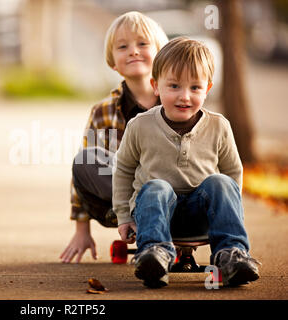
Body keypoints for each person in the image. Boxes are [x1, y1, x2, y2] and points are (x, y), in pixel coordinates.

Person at [113, 37, 261, 288]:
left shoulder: (219, 126)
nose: (184, 96)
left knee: (221, 181)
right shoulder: (140, 125)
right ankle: (154, 255)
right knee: (156, 186)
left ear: (208, 89)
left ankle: (232, 254)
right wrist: (124, 216)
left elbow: (233, 171)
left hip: (202, 215)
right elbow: (124, 169)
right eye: (174, 86)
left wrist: (231, 212)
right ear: (155, 86)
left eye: (195, 88)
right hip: (154, 214)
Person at [59, 11, 168, 264]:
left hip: (170, 193)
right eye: (123, 46)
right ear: (112, 63)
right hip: (121, 202)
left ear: (161, 54)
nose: (133, 51)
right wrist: (81, 230)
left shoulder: (177, 102)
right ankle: (141, 219)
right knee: (85, 160)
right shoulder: (103, 111)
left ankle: (161, 219)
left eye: (142, 44)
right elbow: (83, 177)